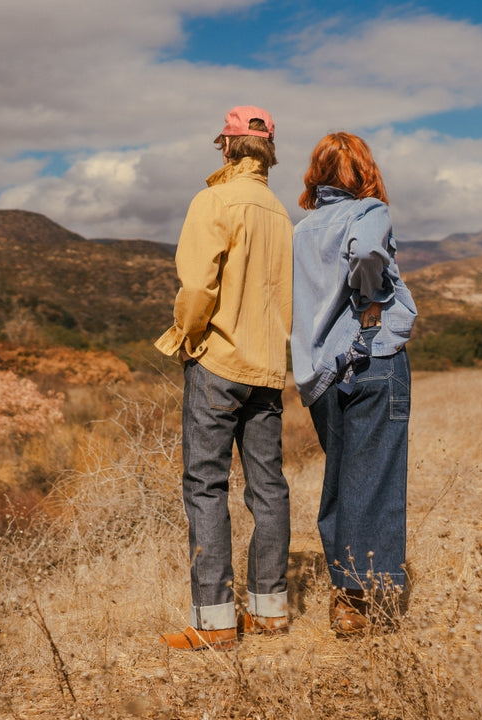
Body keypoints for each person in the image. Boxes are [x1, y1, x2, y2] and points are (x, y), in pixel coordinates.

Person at [155, 106, 293, 650]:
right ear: (269, 152)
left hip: (218, 362)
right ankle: (270, 611)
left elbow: (196, 288)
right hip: (267, 368)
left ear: (228, 146)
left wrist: (187, 338)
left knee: (206, 487)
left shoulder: (213, 200)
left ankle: (214, 624)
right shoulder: (281, 213)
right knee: (269, 488)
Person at [290, 132, 416, 636]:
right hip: (371, 359)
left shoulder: (302, 229)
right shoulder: (369, 212)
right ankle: (361, 600)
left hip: (320, 371)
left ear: (316, 174)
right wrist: (370, 300)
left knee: (342, 479)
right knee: (377, 477)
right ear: (364, 171)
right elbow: (366, 252)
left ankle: (345, 596)